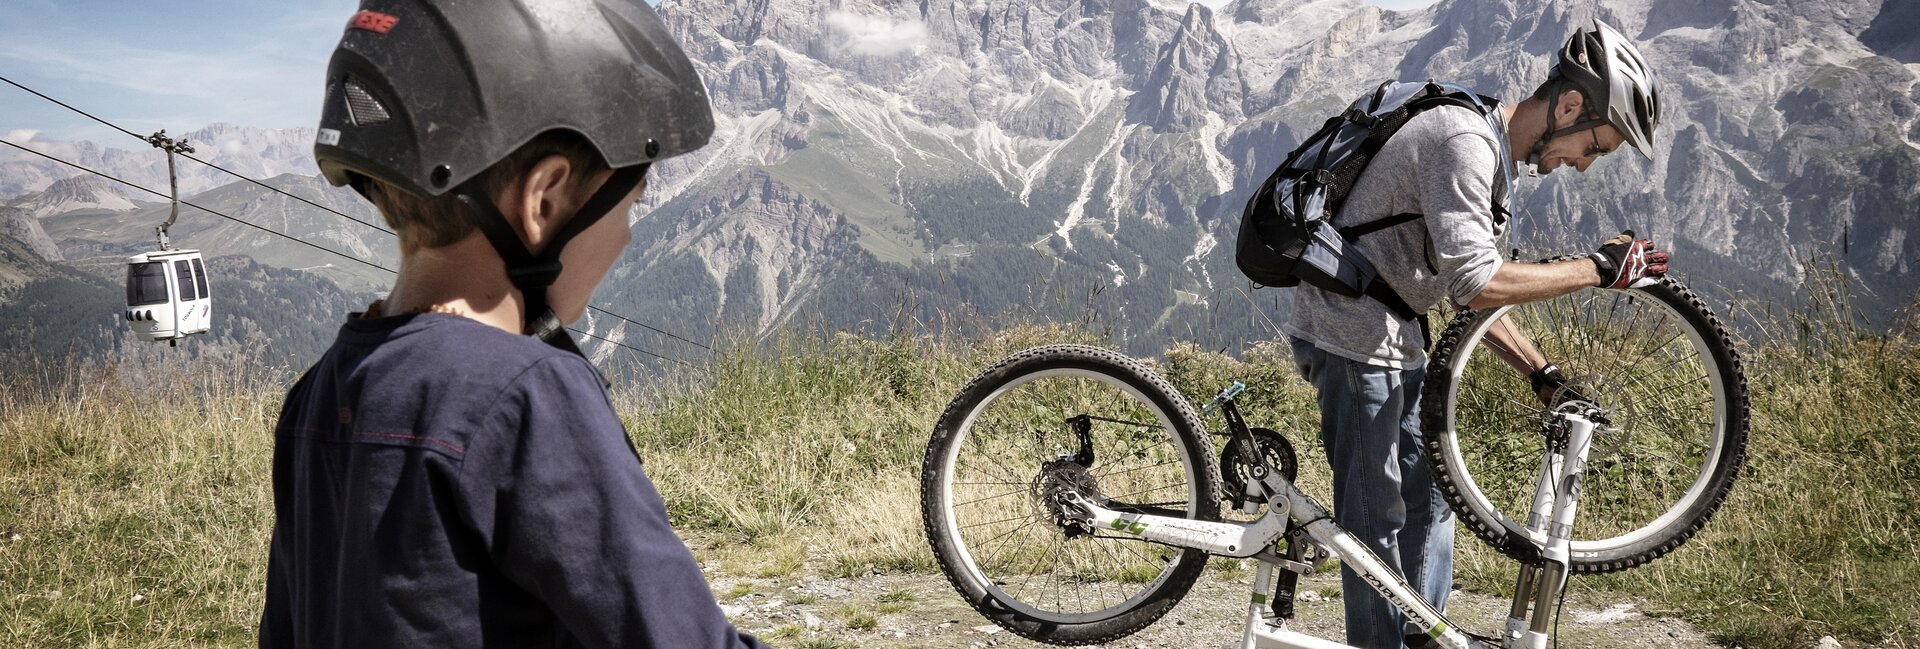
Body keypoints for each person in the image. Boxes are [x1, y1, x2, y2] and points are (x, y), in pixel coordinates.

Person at [259, 2, 764, 647]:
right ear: (544, 200)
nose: (628, 238)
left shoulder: (318, 393)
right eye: (627, 205)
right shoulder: (525, 397)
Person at [1282, 21, 1668, 649]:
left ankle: (1423, 637)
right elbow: (1477, 283)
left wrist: (1538, 372)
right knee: (1374, 518)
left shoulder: (1490, 149)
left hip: (1395, 334)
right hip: (1351, 336)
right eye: (1595, 146)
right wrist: (1596, 271)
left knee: (1431, 504)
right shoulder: (1465, 142)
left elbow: (1473, 290)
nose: (1584, 164)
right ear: (1570, 106)